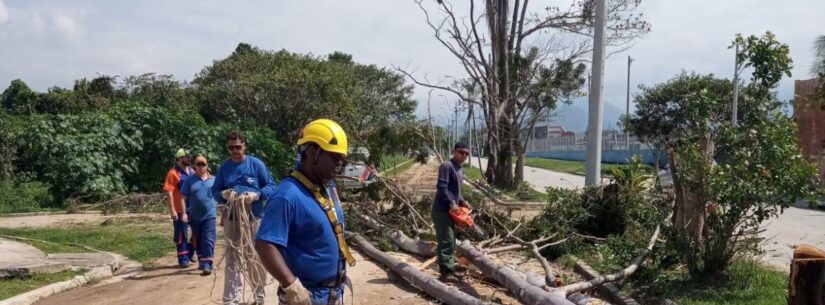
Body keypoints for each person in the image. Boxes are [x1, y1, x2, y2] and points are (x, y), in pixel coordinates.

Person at [256, 119, 356, 305]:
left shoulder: (325, 187)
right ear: (312, 152)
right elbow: (265, 244)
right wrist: (291, 286)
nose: (339, 163)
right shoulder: (287, 196)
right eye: (334, 157)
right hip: (307, 297)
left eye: (342, 158)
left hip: (333, 293)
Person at [212, 131, 277, 305]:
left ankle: (259, 297)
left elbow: (271, 186)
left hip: (253, 218)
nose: (235, 151)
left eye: (238, 147)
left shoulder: (256, 164)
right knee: (232, 258)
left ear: (244, 145)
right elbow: (215, 191)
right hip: (232, 219)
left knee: (254, 257)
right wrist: (223, 194)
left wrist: (256, 196)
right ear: (227, 148)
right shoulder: (224, 168)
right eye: (231, 148)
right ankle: (231, 299)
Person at [432, 141, 472, 282]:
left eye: (467, 153)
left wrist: (462, 201)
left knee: (450, 241)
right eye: (461, 152)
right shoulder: (447, 166)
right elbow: (442, 188)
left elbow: (455, 192)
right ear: (454, 151)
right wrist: (451, 203)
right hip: (441, 210)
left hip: (451, 211)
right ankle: (446, 273)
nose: (464, 155)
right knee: (447, 240)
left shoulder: (459, 169)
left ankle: (448, 269)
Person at [181, 155, 217, 276]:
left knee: (208, 238)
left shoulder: (214, 180)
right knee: (198, 239)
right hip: (194, 216)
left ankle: (207, 264)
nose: (201, 167)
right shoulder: (189, 181)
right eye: (199, 164)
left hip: (210, 215)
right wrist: (184, 213)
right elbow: (182, 197)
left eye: (203, 164)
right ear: (194, 166)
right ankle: (202, 261)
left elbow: (220, 195)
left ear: (207, 166)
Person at [163, 148, 195, 268]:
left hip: (193, 208)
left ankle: (191, 252)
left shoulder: (192, 171)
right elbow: (169, 192)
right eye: (187, 157)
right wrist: (172, 210)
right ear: (180, 158)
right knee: (181, 234)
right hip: (180, 209)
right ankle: (183, 259)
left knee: (197, 232)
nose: (189, 159)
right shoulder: (173, 173)